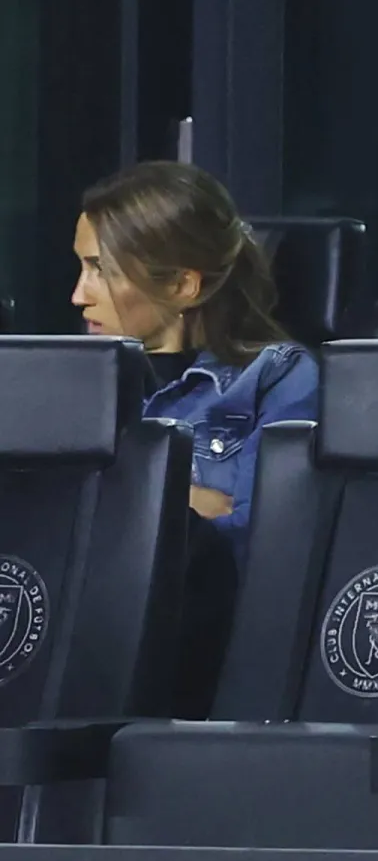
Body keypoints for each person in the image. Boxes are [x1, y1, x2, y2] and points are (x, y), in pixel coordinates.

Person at [72, 161, 319, 563]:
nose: (79, 296)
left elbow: (259, 545)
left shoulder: (275, 377)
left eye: (100, 270)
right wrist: (181, 499)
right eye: (82, 267)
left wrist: (108, 493)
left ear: (182, 285)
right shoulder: (70, 379)